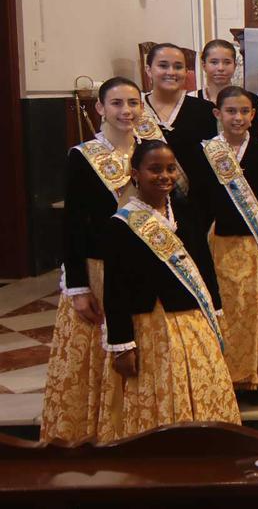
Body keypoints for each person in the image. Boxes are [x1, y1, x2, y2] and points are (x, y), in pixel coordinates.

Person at [96, 140, 240, 442]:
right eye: (155, 169)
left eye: (170, 169)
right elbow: (115, 288)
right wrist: (121, 344)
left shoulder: (186, 212)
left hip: (193, 319)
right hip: (150, 325)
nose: (164, 176)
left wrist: (215, 309)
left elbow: (204, 265)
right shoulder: (121, 224)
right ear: (136, 173)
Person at [42, 77, 143, 444]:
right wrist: (78, 286)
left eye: (133, 103)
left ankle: (141, 422)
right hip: (99, 268)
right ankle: (101, 427)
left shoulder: (152, 149)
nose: (126, 111)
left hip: (144, 267)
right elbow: (72, 223)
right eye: (116, 103)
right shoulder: (83, 156)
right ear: (100, 108)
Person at [192, 86, 258, 393]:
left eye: (244, 111)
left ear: (254, 115)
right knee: (228, 310)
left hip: (257, 246)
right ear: (217, 113)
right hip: (219, 244)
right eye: (230, 111)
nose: (237, 117)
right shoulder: (206, 152)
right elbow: (197, 203)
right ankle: (230, 379)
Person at [143, 43, 218, 182]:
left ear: (186, 72)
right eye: (163, 66)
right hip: (144, 194)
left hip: (197, 193)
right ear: (148, 70)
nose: (171, 72)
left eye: (178, 67)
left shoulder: (205, 109)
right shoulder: (136, 109)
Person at [194, 39, 258, 139]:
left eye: (227, 62)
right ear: (204, 65)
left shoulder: (251, 99)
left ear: (235, 66)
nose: (220, 68)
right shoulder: (192, 100)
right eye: (214, 62)